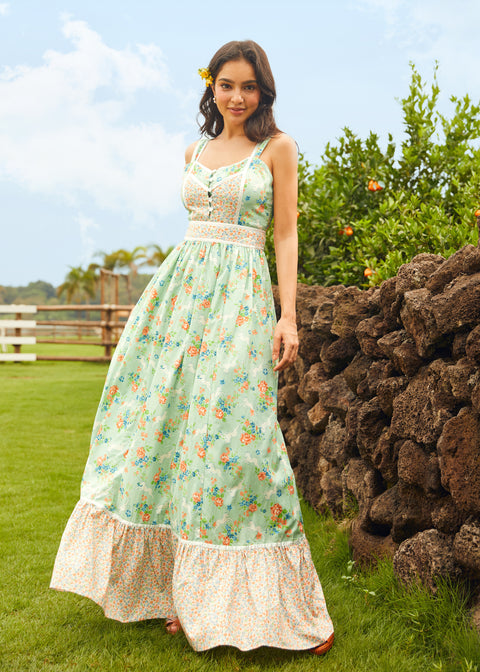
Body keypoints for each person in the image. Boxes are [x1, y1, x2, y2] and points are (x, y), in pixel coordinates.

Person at [50, 39, 334, 656]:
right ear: (212, 87)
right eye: (227, 84)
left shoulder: (277, 148)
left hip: (240, 300)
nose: (237, 96)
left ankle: (285, 607)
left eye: (249, 86)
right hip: (179, 301)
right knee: (169, 437)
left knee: (238, 440)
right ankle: (180, 593)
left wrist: (288, 316)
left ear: (263, 91)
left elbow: (285, 234)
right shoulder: (193, 151)